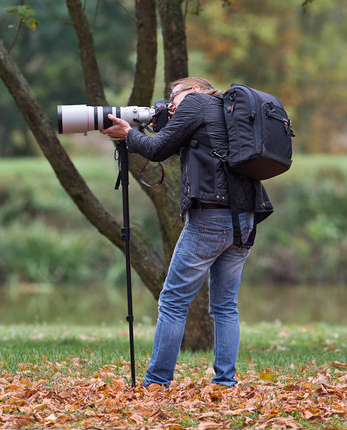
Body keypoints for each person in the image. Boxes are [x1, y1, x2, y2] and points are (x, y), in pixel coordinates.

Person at [100, 77, 273, 388]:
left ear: (194, 90)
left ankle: (156, 381)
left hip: (211, 217)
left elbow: (154, 150)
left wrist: (128, 134)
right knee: (224, 304)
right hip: (244, 218)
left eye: (172, 96)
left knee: (173, 301)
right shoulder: (224, 111)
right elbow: (172, 145)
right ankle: (225, 381)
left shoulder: (196, 102)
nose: (169, 103)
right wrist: (160, 123)